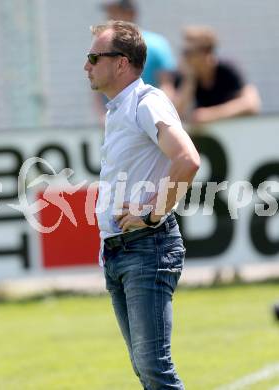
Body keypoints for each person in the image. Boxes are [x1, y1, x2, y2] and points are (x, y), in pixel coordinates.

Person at [84, 20, 200, 389]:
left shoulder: (145, 101)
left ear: (121, 63)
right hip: (120, 250)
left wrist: (151, 212)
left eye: (93, 57)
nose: (86, 66)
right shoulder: (119, 109)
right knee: (145, 369)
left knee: (154, 368)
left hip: (147, 247)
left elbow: (187, 159)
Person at [93, 0, 176, 125]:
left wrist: (155, 114)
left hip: (148, 120)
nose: (110, 19)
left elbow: (167, 85)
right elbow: (97, 88)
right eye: (109, 13)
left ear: (130, 13)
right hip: (116, 123)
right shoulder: (104, 46)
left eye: (115, 12)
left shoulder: (157, 44)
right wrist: (103, 118)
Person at [175, 25, 261, 126]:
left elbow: (252, 104)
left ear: (206, 53)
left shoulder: (227, 71)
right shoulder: (185, 76)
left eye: (189, 52)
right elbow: (174, 115)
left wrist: (211, 115)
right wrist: (189, 80)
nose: (185, 57)